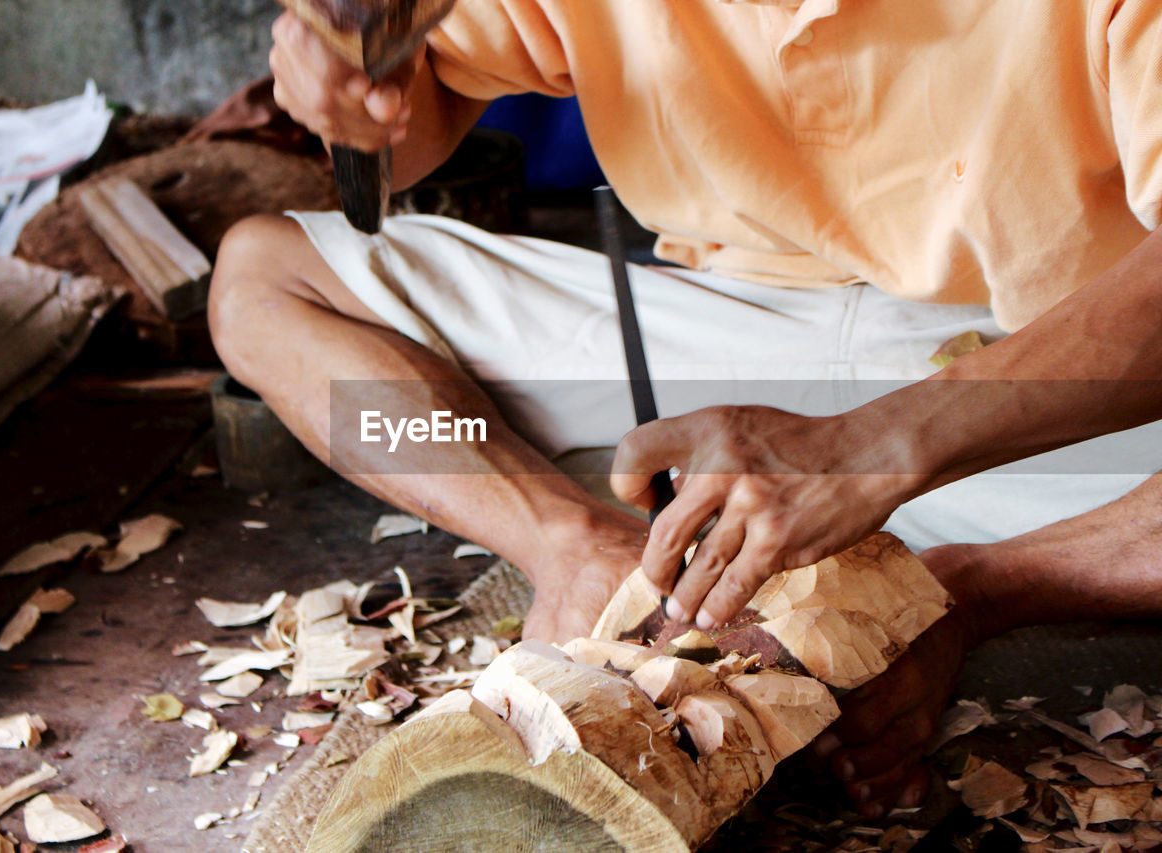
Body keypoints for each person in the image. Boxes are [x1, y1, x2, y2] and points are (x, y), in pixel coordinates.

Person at [208, 0, 1162, 816]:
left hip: (1048, 363)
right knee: (270, 278)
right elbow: (415, 125)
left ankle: (974, 585)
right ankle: (575, 540)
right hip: (721, 327)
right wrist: (351, 87)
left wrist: (870, 449)